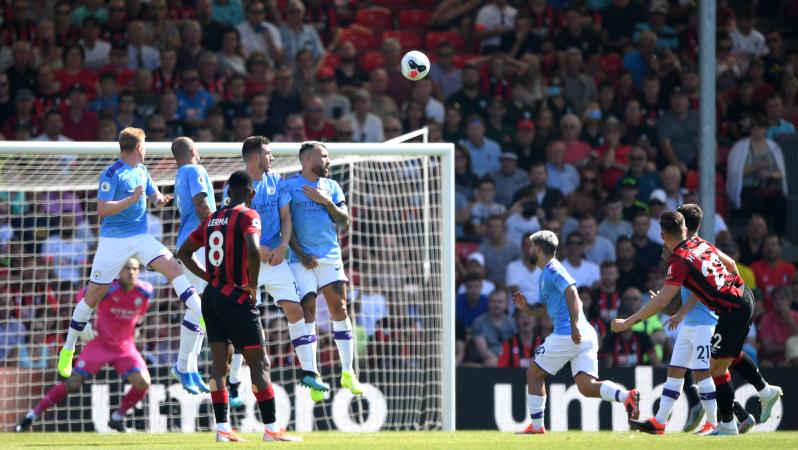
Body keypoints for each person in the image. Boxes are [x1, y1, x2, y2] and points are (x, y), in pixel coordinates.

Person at [57, 128, 205, 390]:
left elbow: (152, 193)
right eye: (145, 144)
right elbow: (102, 210)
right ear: (138, 147)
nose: (146, 148)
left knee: (174, 269)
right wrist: (131, 199)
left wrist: (160, 199)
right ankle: (68, 349)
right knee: (91, 298)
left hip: (140, 236)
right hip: (113, 242)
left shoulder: (142, 170)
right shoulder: (112, 173)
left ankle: (203, 315)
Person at [612, 210, 780, 435]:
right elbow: (731, 264)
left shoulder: (679, 260)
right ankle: (763, 393)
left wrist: (627, 322)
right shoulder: (699, 242)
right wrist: (732, 290)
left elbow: (662, 301)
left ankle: (727, 424)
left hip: (730, 310)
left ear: (662, 236)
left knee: (714, 369)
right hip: (743, 295)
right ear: (684, 230)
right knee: (724, 360)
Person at [177, 170, 301, 443]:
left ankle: (222, 429)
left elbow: (183, 252)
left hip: (211, 297)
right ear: (251, 193)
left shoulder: (211, 220)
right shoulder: (248, 215)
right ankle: (271, 429)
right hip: (236, 296)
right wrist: (253, 285)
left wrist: (208, 277)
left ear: (227, 191)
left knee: (219, 363)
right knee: (260, 362)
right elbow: (254, 250)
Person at [225, 136, 329, 405]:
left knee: (295, 310)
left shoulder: (276, 181)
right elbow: (235, 221)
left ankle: (308, 370)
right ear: (256, 157)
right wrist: (258, 250)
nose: (272, 157)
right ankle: (234, 382)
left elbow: (286, 217)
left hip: (276, 257)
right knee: (240, 322)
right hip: (248, 260)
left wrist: (283, 245)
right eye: (268, 153)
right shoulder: (237, 184)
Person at [514, 230, 639, 435]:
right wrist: (526, 308)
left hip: (567, 333)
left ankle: (536, 428)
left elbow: (572, 291)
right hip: (585, 334)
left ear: (537, 249)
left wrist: (573, 327)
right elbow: (545, 309)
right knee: (586, 386)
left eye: (530, 246)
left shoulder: (553, 269)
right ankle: (627, 396)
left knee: (533, 374)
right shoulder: (545, 275)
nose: (529, 250)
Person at [16, 259, 153, 433]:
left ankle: (117, 418)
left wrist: (137, 329)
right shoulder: (108, 289)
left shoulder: (145, 291)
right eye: (127, 268)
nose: (131, 272)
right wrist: (85, 322)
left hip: (125, 347)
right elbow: (81, 295)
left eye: (135, 269)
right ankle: (30, 417)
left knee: (144, 382)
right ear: (119, 272)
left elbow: (140, 315)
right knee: (72, 383)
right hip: (100, 344)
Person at [284, 141, 362, 398]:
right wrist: (301, 253)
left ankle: (348, 372)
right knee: (307, 310)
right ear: (307, 159)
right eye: (324, 156)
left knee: (339, 308)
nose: (328, 161)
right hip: (300, 258)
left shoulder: (332, 186)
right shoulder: (290, 187)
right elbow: (286, 226)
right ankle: (312, 373)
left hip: (329, 256)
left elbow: (344, 221)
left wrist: (328, 202)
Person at [169, 137, 216, 394]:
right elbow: (201, 203)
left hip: (189, 240)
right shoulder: (195, 170)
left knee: (199, 304)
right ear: (194, 151)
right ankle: (184, 366)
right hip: (198, 242)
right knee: (202, 304)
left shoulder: (179, 175)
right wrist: (216, 231)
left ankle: (188, 367)